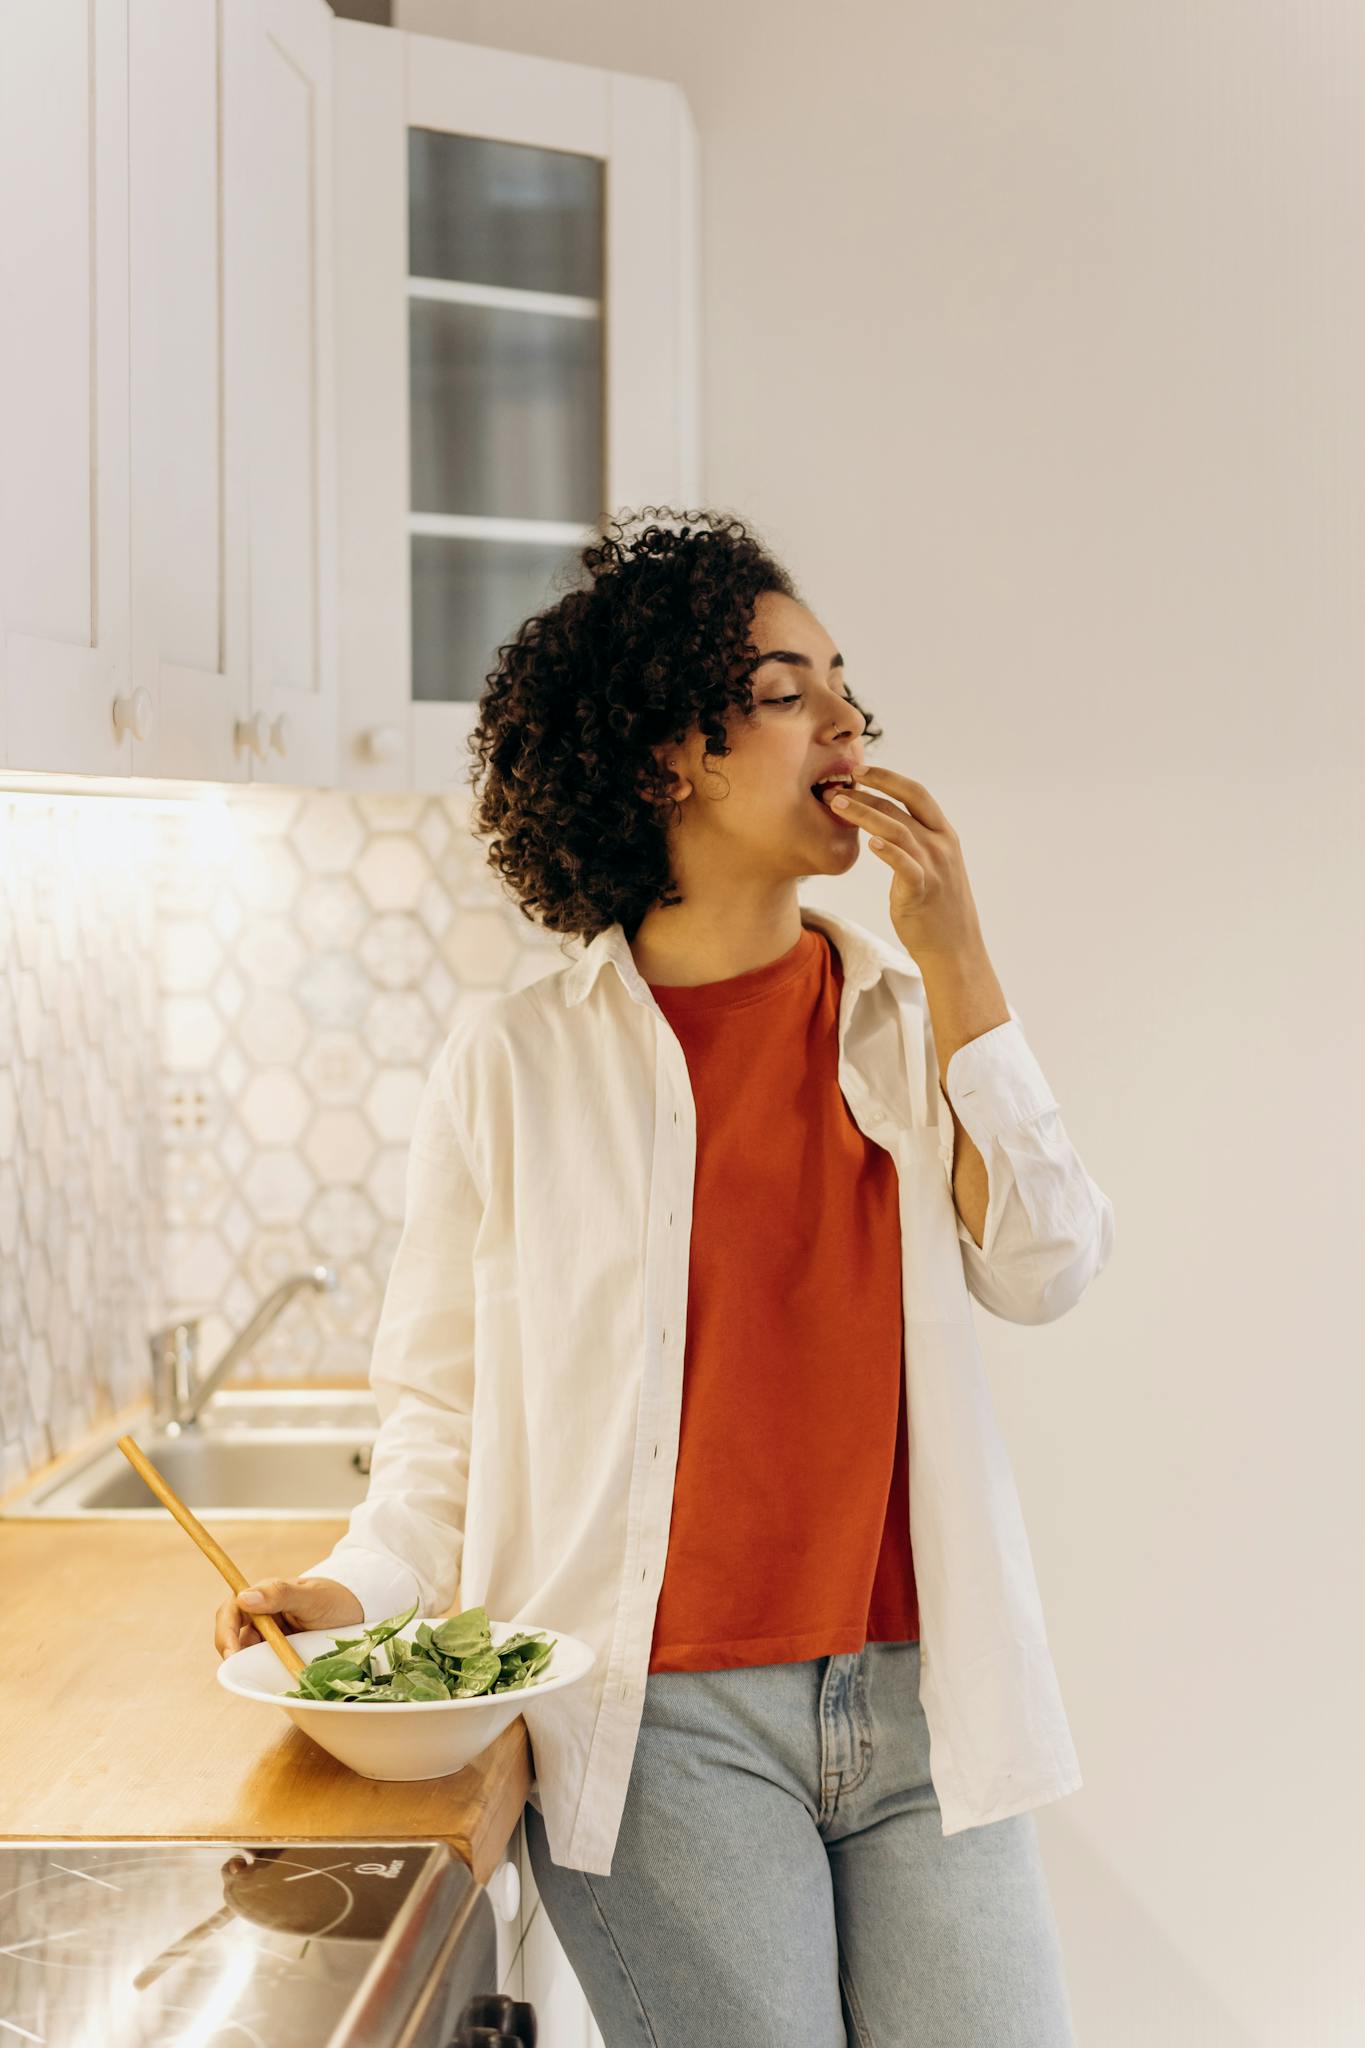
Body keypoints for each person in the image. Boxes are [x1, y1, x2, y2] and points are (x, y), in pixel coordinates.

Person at [215, 509, 1113, 2045]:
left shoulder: (903, 1021)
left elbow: (1043, 1267)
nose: (843, 722)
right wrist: (354, 1590)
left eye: (845, 687)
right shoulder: (513, 1064)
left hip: (919, 1705)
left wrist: (961, 962)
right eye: (784, 690)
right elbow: (443, 1419)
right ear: (660, 759)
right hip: (662, 1733)